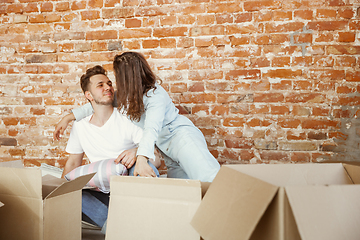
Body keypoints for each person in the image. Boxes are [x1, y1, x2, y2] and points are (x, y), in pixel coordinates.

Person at [55, 51, 220, 182]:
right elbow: (97, 103)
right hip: (168, 151)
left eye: (117, 76)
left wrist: (141, 159)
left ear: (128, 76)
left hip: (182, 139)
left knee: (212, 181)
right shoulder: (128, 95)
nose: (114, 82)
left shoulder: (155, 95)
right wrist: (68, 117)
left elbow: (151, 128)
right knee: (183, 193)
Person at [61, 65, 160, 231]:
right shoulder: (80, 126)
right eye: (100, 85)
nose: (108, 87)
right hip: (101, 192)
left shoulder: (128, 117)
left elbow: (156, 159)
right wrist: (58, 195)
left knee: (143, 166)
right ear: (88, 95)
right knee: (71, 194)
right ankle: (124, 228)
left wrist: (137, 152)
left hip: (130, 191)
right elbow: (72, 164)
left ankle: (128, 227)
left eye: (109, 83)